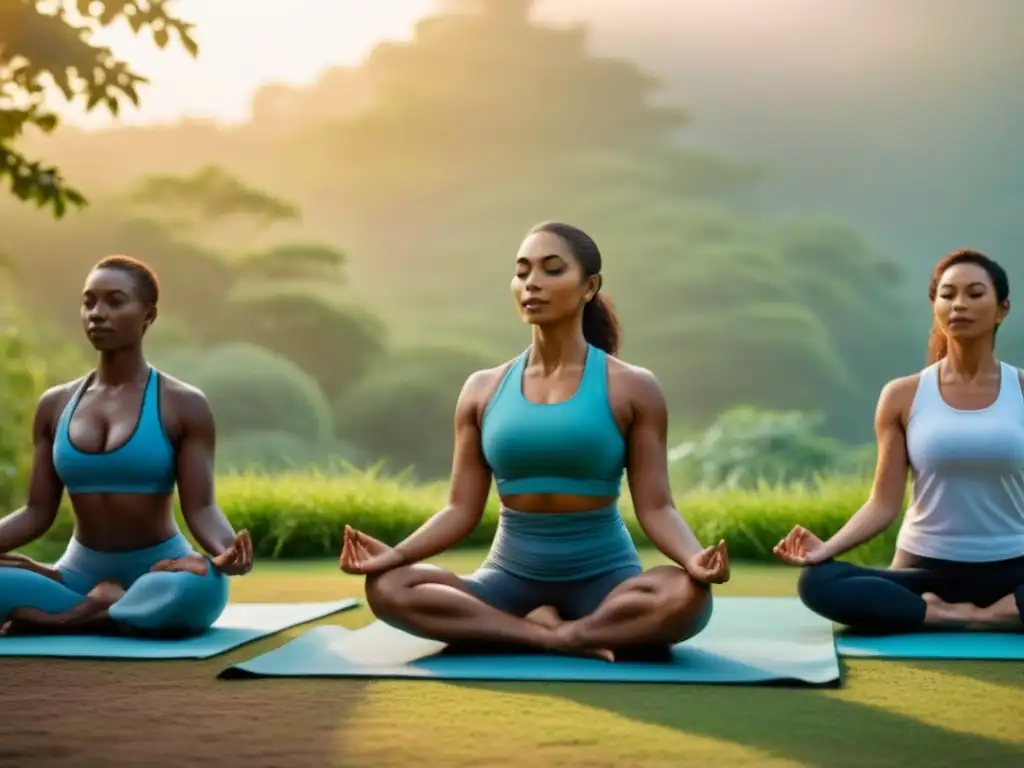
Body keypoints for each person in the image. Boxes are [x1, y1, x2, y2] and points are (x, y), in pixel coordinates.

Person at [339, 221, 729, 660]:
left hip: (605, 581)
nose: (532, 284)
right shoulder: (482, 388)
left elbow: (656, 506)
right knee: (390, 587)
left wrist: (694, 560)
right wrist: (395, 556)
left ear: (589, 287)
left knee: (686, 596)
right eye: (523, 272)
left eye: (551, 270)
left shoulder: (634, 387)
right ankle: (557, 636)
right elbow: (459, 509)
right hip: (508, 579)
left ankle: (547, 632)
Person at [0, 255, 253, 637]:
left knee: (198, 584)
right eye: (89, 302)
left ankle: (75, 614)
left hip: (161, 572)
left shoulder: (183, 403)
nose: (97, 313)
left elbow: (201, 507)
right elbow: (37, 512)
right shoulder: (55, 405)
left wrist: (226, 551)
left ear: (148, 315)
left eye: (115, 302)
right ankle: (106, 608)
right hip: (77, 574)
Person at [775, 249, 1024, 634]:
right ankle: (956, 615)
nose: (959, 304)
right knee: (818, 583)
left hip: (1014, 569)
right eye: (948, 294)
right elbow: (883, 503)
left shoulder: (1021, 389)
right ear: (935, 305)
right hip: (925, 571)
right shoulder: (903, 395)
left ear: (1002, 309)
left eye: (975, 294)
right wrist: (827, 549)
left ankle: (978, 615)